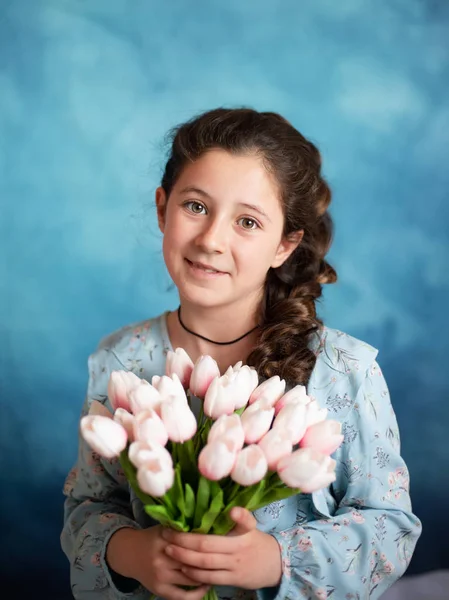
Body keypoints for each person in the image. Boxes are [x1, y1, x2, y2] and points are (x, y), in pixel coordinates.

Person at [61, 107, 422, 600]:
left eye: (248, 221)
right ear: (162, 208)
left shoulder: (344, 372)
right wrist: (132, 554)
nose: (211, 240)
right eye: (195, 207)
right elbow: (86, 507)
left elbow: (391, 527)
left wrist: (273, 560)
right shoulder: (121, 361)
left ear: (284, 245)